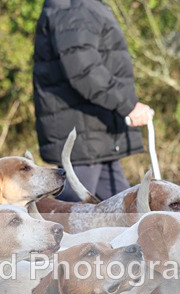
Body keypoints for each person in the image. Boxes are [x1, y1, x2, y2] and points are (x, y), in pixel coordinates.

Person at [33, 0, 153, 202]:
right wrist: (128, 105)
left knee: (123, 217)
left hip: (96, 138)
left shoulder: (82, 6)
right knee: (74, 219)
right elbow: (84, 70)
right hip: (84, 139)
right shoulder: (75, 8)